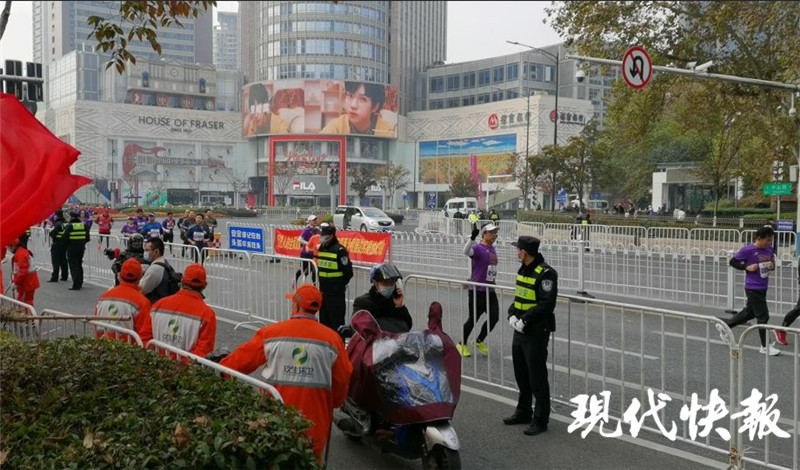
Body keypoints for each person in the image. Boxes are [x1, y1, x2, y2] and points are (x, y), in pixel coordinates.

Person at [221, 284, 352, 460]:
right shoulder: (333, 340)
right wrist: (332, 402)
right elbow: (342, 380)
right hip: (314, 423)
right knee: (309, 461)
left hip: (274, 421)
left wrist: (219, 370)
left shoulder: (271, 333)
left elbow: (239, 362)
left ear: (296, 305)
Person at [504, 236, 558, 436]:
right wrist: (512, 314)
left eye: (518, 249)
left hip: (536, 331)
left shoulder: (546, 273)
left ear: (524, 252)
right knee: (522, 374)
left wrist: (525, 320)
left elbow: (546, 304)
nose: (516, 252)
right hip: (520, 330)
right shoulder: (523, 270)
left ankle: (540, 419)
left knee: (537, 377)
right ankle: (523, 411)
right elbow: (520, 297)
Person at [716, 226, 779, 356]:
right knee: (763, 316)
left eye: (771, 240)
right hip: (752, 287)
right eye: (767, 240)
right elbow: (733, 262)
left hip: (763, 285)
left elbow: (772, 264)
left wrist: (772, 265)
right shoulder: (748, 250)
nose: (769, 243)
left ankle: (725, 326)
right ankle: (765, 346)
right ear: (759, 238)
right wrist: (746, 267)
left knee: (750, 313)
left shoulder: (769, 249)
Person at [151, 264, 217, 358]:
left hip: (157, 363)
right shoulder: (207, 314)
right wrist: (183, 363)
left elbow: (146, 339)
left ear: (182, 281)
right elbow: (203, 351)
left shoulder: (158, 305)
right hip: (186, 366)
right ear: (205, 285)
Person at [457, 223, 500, 357]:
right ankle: (461, 343)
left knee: (494, 317)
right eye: (491, 232)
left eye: (495, 232)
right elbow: (466, 251)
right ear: (484, 234)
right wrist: (472, 238)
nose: (494, 235)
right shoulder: (478, 248)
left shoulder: (492, 249)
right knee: (473, 319)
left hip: (490, 290)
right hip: (477, 290)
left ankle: (479, 340)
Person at [95, 258, 153, 344]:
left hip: (102, 346)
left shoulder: (103, 297)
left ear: (120, 276)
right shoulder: (142, 302)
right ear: (140, 277)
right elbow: (144, 335)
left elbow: (96, 323)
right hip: (126, 349)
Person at [352, 263, 412, 333]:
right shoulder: (363, 302)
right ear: (375, 283)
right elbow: (359, 328)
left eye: (392, 283)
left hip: (395, 339)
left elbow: (407, 325)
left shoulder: (393, 302)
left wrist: (400, 307)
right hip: (376, 339)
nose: (389, 285)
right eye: (385, 283)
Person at [320, 81, 395, 137]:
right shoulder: (337, 127)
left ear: (375, 107)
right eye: (350, 95)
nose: (353, 105)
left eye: (363, 99)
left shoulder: (386, 131)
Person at [315, 223, 353, 331]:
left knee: (336, 324)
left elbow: (348, 272)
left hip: (336, 294)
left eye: (324, 235)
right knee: (324, 325)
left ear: (331, 236)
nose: (321, 237)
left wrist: (339, 284)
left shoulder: (340, 250)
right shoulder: (322, 248)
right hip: (323, 293)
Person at [9, 231, 40, 307]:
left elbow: (22, 271)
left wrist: (16, 282)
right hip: (28, 282)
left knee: (24, 302)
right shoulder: (21, 252)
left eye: (9, 247)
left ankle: (25, 314)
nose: (9, 249)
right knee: (24, 301)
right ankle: (25, 313)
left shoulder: (20, 254)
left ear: (14, 246)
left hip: (27, 283)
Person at [139, 238, 173, 304]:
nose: (145, 252)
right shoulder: (164, 262)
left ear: (156, 251)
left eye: (147, 250)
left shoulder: (155, 269)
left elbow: (141, 290)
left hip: (154, 305)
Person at [62, 210, 90, 291]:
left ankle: (76, 285)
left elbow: (64, 238)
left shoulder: (69, 226)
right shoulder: (83, 225)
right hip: (81, 248)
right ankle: (80, 282)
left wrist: (66, 246)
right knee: (79, 265)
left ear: (71, 217)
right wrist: (81, 243)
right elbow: (87, 238)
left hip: (71, 249)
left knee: (74, 266)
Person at [296, 215, 320, 286]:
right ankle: (295, 279)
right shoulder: (306, 230)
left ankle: (314, 286)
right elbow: (300, 239)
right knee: (303, 269)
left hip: (314, 254)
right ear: (309, 221)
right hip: (306, 253)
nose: (315, 221)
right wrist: (309, 243)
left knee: (314, 270)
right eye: (313, 220)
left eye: (316, 220)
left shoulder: (317, 230)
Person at [48, 210, 69, 282]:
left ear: (58, 216)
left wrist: (50, 232)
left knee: (56, 261)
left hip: (57, 244)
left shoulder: (57, 224)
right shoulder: (66, 223)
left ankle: (55, 277)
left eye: (55, 215)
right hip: (64, 244)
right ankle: (64, 276)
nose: (54, 216)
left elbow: (52, 234)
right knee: (63, 261)